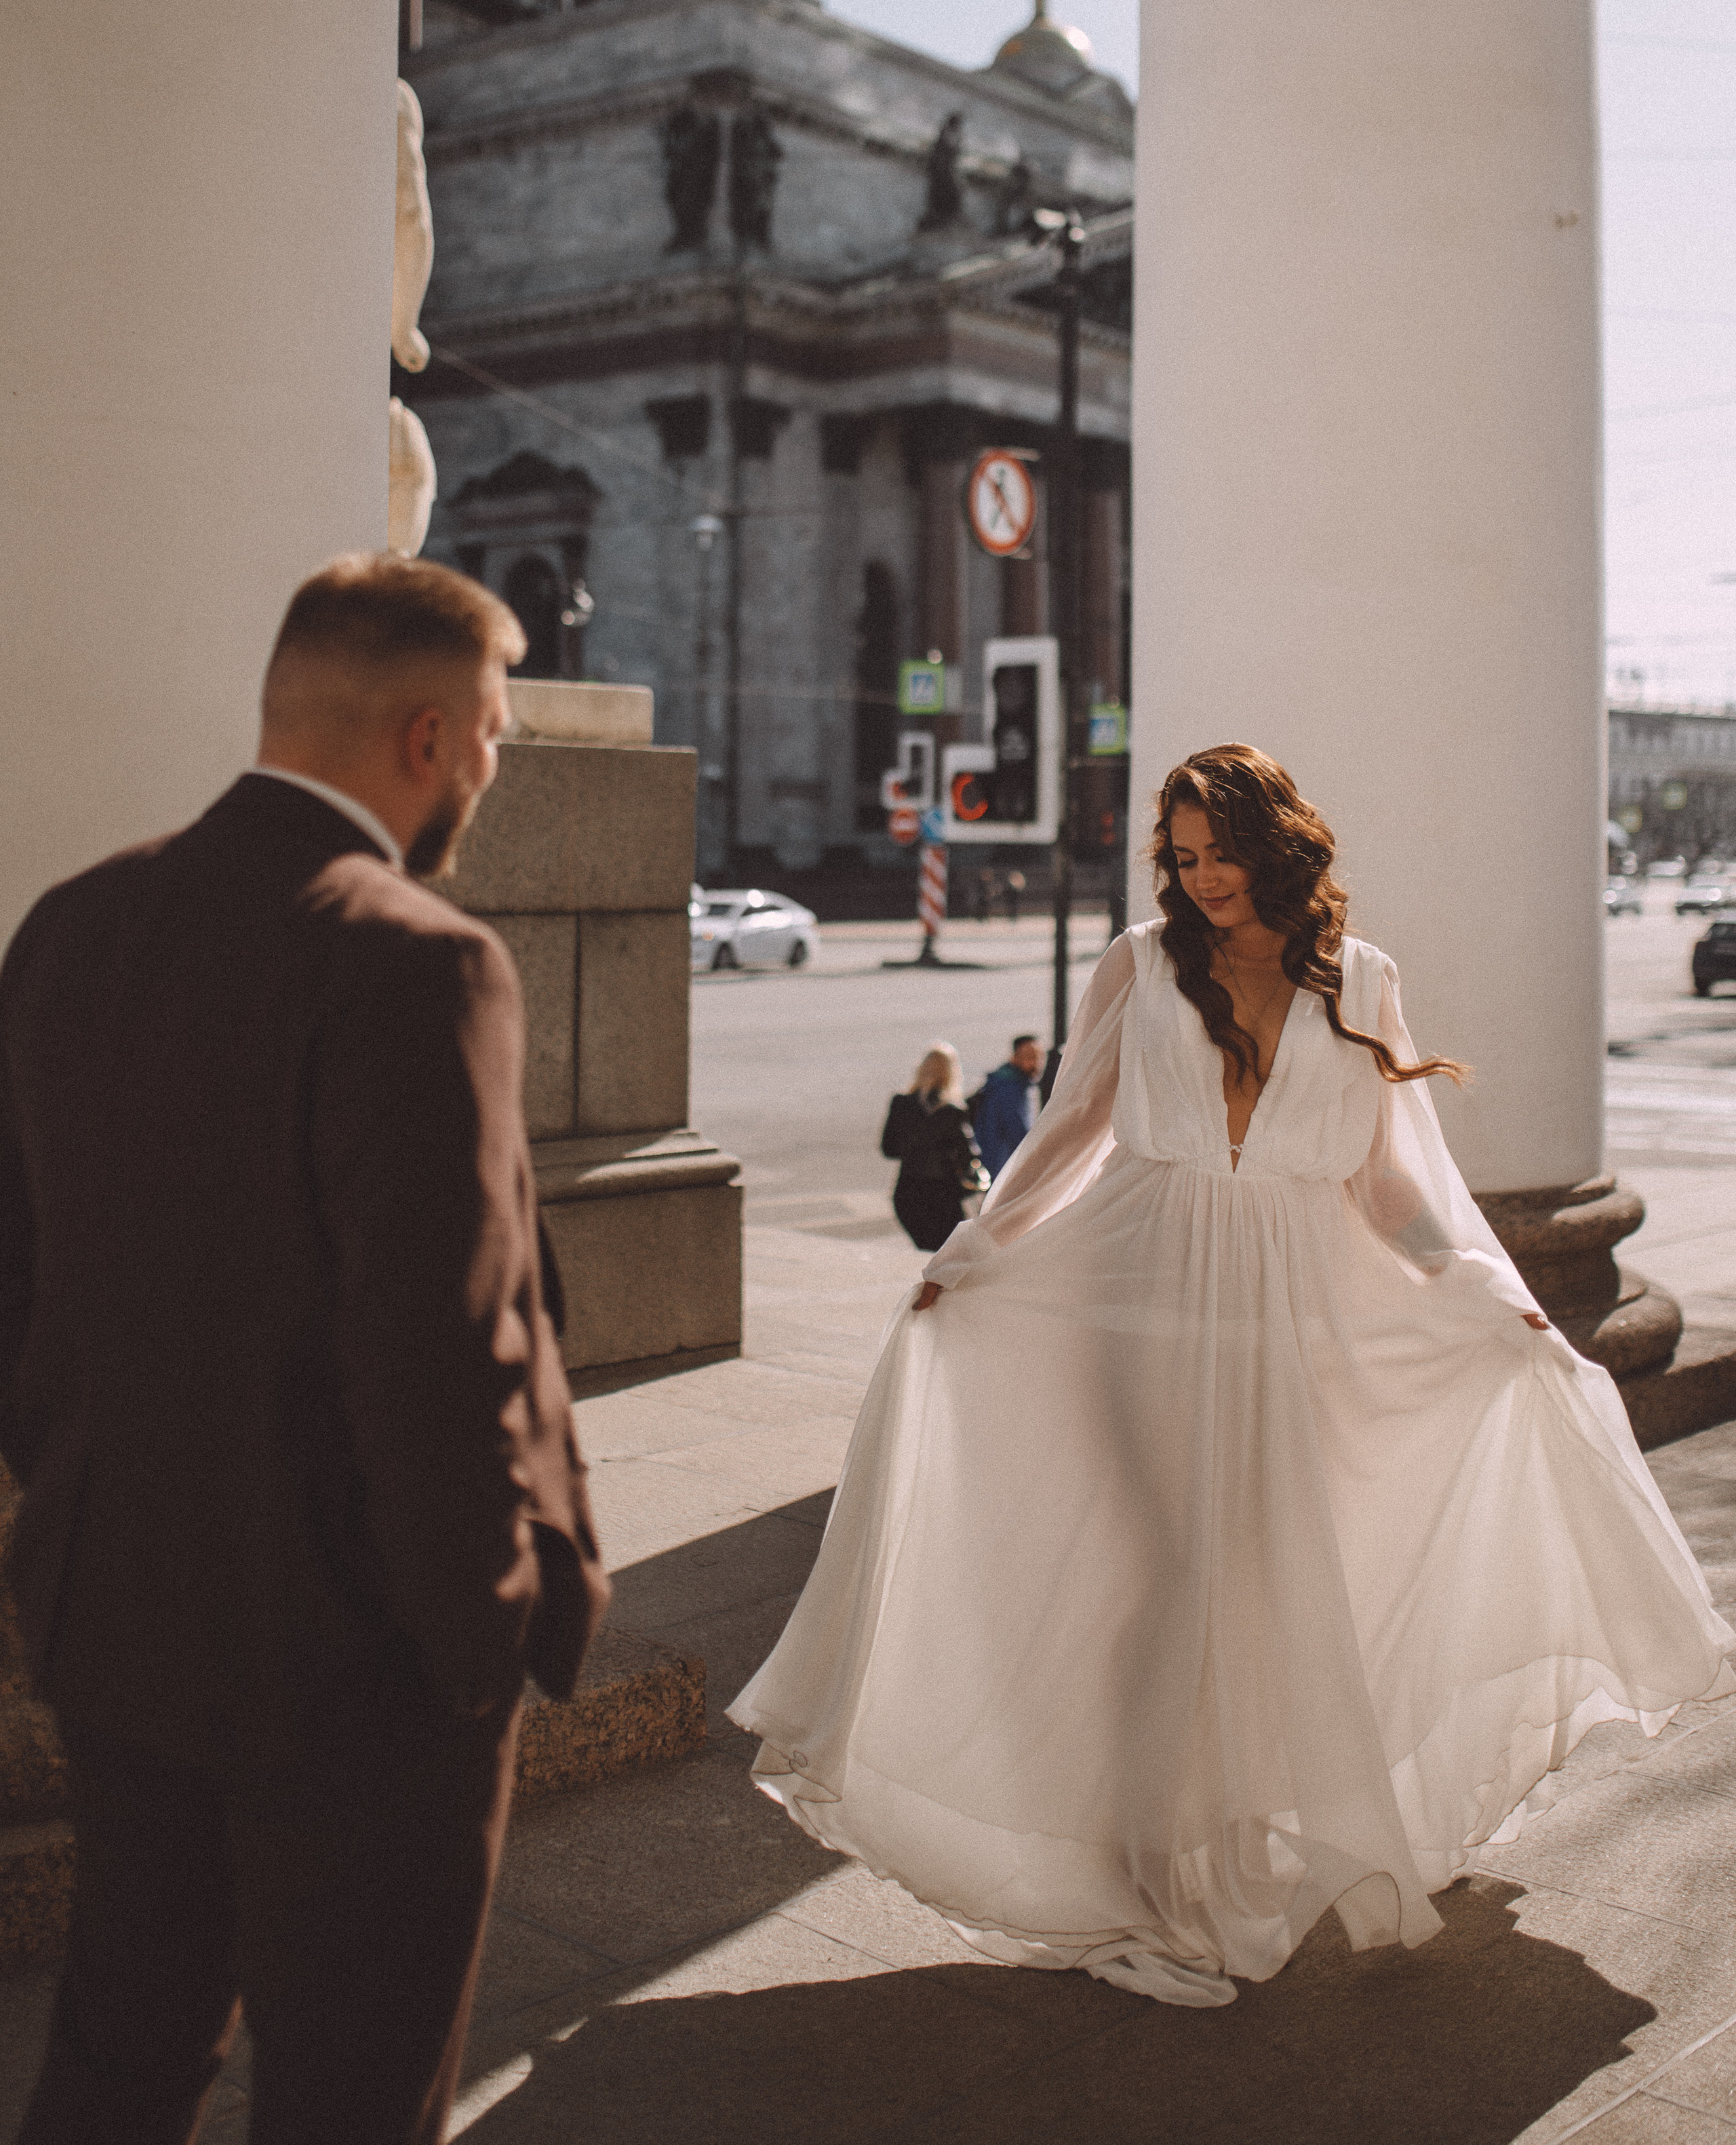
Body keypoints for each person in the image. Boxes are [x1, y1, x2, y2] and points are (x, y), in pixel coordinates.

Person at [734, 745, 1733, 2009]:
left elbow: (1391, 1183)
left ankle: (1229, 1831)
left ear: (1279, 845)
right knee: (1178, 1572)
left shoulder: (1361, 980)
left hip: (1294, 1323)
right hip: (1141, 1307)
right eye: (1184, 856)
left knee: (1259, 1579)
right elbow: (1070, 1130)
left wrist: (1494, 1299)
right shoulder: (1139, 966)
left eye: (1221, 852)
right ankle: (1156, 1872)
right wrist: (977, 1248)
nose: (1201, 878)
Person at [0, 553, 609, 2145]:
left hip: (114, 1612)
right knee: (353, 2095)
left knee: (122, 2054)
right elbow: (445, 1346)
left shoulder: (70, 922)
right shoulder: (419, 960)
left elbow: (19, 1282)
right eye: (488, 726)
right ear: (423, 737)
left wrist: (73, 1504)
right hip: (354, 1664)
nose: (490, 762)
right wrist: (479, 1643)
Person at [880, 1044, 986, 1252]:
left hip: (908, 1192)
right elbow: (969, 1156)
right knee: (950, 1255)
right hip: (942, 1195)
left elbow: (889, 1148)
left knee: (925, 1251)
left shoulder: (901, 1104)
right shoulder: (954, 1111)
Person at [972, 1034, 1045, 1180]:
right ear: (1015, 1058)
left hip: (993, 1169)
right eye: (1029, 1056)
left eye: (1039, 1056)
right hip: (1003, 1171)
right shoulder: (1010, 1089)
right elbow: (1020, 1135)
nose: (1036, 1063)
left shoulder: (1002, 1083)